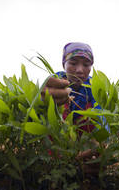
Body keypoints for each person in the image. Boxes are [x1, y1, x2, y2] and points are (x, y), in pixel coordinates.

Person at [42, 42, 105, 175]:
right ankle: (56, 158)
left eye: (86, 65)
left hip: (83, 141)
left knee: (91, 113)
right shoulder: (54, 81)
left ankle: (85, 157)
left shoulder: (93, 86)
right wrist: (41, 102)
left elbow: (101, 115)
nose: (80, 70)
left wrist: (102, 143)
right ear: (63, 64)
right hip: (60, 141)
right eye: (73, 63)